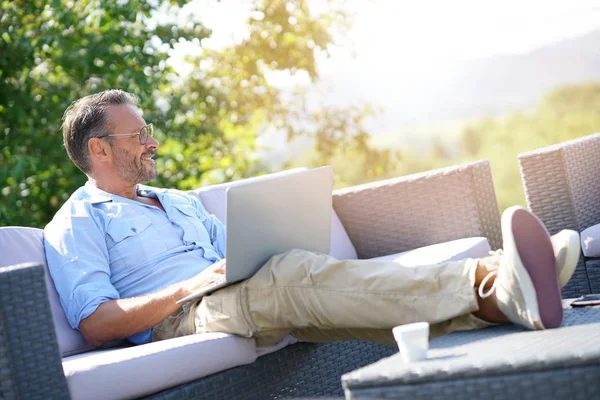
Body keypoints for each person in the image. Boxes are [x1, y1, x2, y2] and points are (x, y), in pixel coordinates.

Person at [44, 89, 581, 349]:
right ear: (100, 149)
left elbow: (241, 258)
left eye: (148, 130)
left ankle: (500, 301)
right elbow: (97, 324)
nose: (152, 142)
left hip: (236, 295)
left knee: (301, 281)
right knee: (289, 278)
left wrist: (249, 257)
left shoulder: (177, 200)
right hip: (177, 320)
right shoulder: (75, 222)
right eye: (139, 135)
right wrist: (196, 282)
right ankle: (492, 276)